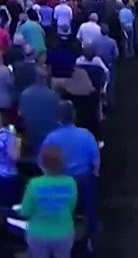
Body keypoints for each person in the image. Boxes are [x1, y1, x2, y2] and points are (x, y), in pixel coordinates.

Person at [43, 101, 100, 242]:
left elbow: (43, 164)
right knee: (88, 213)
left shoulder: (51, 138)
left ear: (57, 118)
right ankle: (90, 241)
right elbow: (96, 161)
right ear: (74, 115)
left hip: (59, 181)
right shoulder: (86, 135)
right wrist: (94, 177)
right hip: (83, 180)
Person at [19, 145, 78, 258]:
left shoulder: (34, 183)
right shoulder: (71, 182)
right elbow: (71, 207)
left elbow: (25, 211)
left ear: (42, 164)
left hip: (38, 234)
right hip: (64, 232)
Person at [19, 68, 61, 154]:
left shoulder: (25, 94)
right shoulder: (54, 96)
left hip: (30, 136)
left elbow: (21, 114)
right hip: (50, 137)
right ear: (46, 79)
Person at [59, 67, 100, 139]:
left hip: (71, 133)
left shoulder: (66, 96)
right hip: (90, 131)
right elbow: (98, 115)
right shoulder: (94, 96)